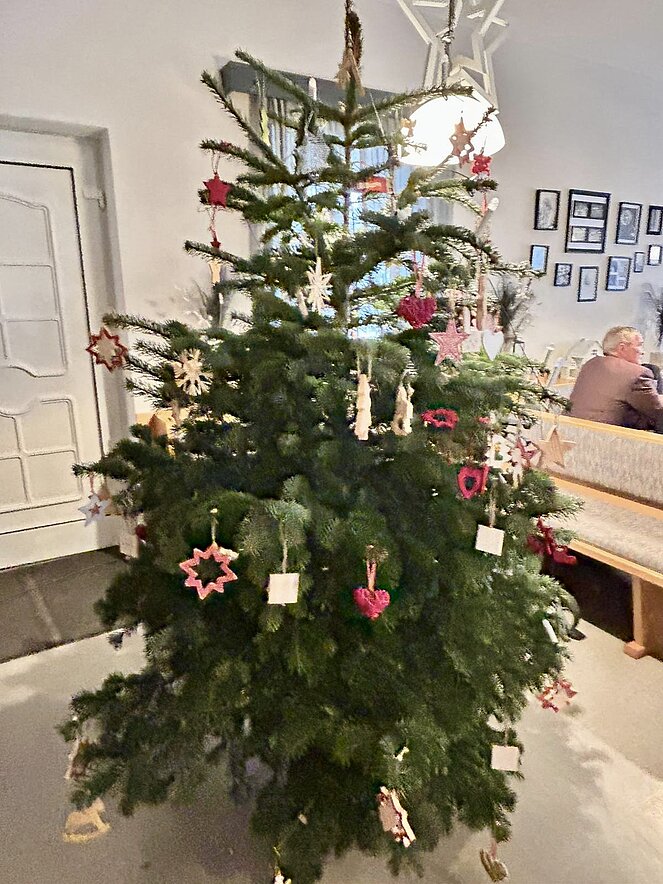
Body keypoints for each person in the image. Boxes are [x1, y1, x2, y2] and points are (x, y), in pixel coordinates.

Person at [569, 326, 663, 432]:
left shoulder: (590, 364)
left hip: (574, 431)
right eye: (640, 345)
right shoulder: (637, 374)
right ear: (622, 348)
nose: (643, 352)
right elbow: (657, 411)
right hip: (613, 436)